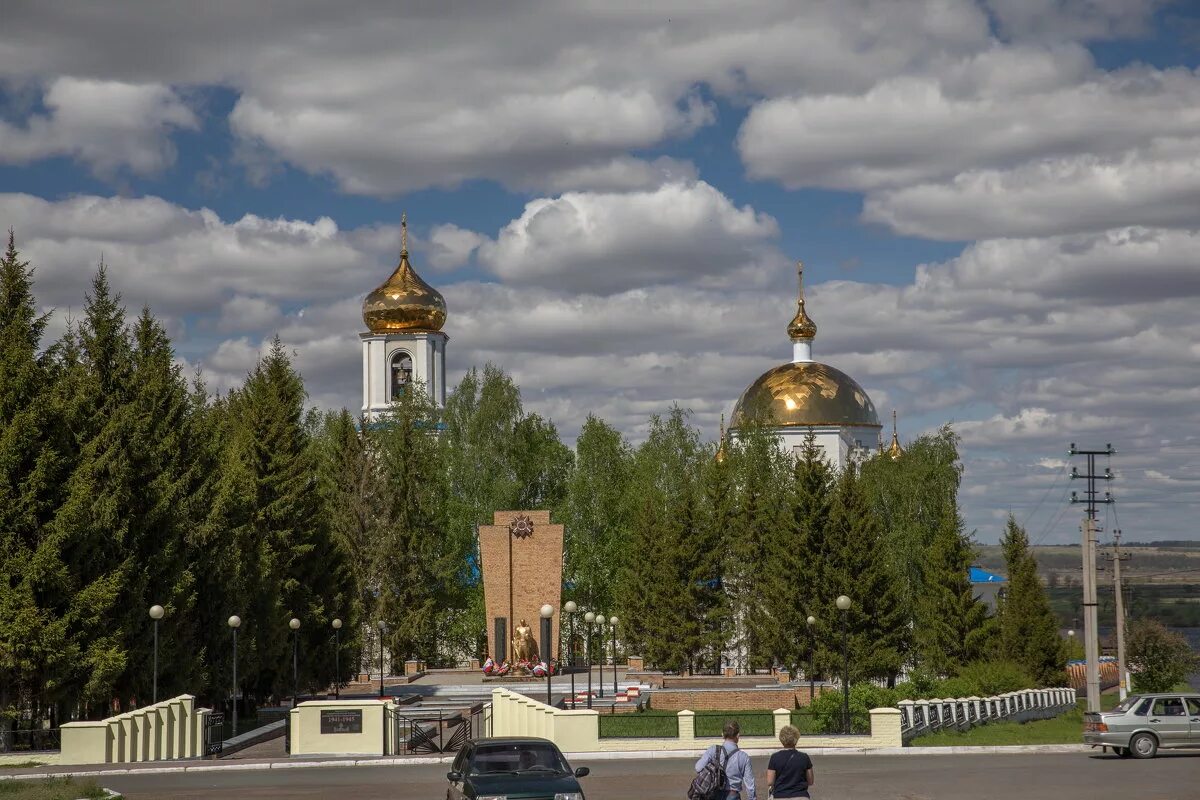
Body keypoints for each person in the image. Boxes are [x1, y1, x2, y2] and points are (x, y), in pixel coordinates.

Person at [694, 719, 756, 800]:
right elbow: (750, 785)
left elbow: (698, 768)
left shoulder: (713, 750)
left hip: (713, 794)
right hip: (733, 795)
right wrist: (752, 798)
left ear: (722, 735)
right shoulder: (743, 757)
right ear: (738, 735)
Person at [766, 725, 815, 799]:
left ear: (781, 739)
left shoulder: (775, 757)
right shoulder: (804, 757)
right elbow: (810, 781)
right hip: (801, 795)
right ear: (796, 738)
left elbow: (770, 781)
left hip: (780, 795)